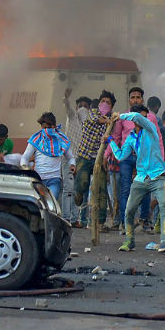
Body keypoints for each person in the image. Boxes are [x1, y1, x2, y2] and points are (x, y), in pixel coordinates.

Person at [108, 106, 165, 254]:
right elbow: (120, 156)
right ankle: (129, 241)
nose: (143, 119)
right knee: (129, 210)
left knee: (164, 205)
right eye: (141, 116)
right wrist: (110, 141)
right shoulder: (131, 138)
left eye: (145, 116)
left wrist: (119, 115)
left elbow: (137, 118)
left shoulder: (150, 129)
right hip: (141, 178)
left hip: (158, 175)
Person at [104, 87, 164, 232]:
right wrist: (106, 155)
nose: (135, 99)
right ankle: (126, 222)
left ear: (142, 99)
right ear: (129, 100)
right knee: (124, 190)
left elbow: (158, 139)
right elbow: (117, 137)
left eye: (138, 97)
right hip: (126, 158)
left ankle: (144, 220)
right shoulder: (123, 118)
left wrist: (160, 159)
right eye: (133, 97)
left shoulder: (150, 117)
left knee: (145, 189)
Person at [74, 90, 115, 232]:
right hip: (84, 156)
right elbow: (94, 120)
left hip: (99, 159)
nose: (105, 104)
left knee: (101, 191)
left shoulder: (112, 123)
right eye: (103, 101)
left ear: (111, 107)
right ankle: (78, 194)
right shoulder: (92, 113)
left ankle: (100, 222)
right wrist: (108, 121)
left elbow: (111, 141)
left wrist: (106, 157)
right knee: (82, 183)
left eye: (108, 103)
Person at [21, 112, 75, 201]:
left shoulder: (61, 140)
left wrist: (72, 165)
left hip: (55, 180)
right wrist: (25, 167)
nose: (46, 130)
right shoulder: (36, 140)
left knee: (51, 203)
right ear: (41, 127)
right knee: (39, 205)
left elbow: (70, 157)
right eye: (44, 128)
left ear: (54, 126)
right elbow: (25, 157)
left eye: (49, 128)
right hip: (38, 180)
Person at [62, 89, 91, 228]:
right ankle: (67, 219)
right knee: (68, 189)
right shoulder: (72, 117)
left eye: (86, 106)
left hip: (82, 160)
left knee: (78, 190)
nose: (83, 108)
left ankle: (75, 219)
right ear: (76, 107)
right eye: (81, 105)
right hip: (69, 158)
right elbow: (67, 107)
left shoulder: (88, 125)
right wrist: (66, 98)